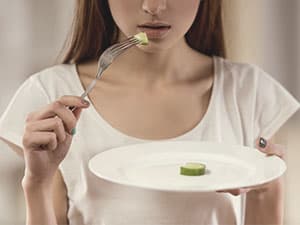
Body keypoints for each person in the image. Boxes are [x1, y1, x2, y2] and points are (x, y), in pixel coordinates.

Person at [0, 0, 299, 224]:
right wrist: (37, 182)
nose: (154, 6)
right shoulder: (50, 95)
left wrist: (266, 190)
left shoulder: (249, 93)